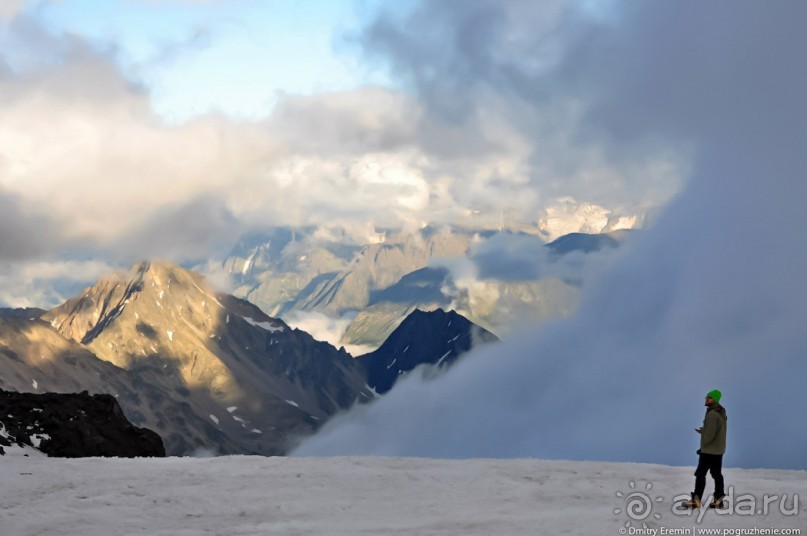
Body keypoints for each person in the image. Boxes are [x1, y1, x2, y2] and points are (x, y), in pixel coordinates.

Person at [682, 389, 727, 509]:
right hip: (718, 450)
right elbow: (716, 431)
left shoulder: (712, 414)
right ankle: (718, 499)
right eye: (707, 397)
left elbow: (710, 435)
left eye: (710, 397)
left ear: (715, 399)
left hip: (709, 451)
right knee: (717, 474)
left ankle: (696, 500)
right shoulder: (720, 412)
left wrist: (702, 448)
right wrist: (704, 431)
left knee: (700, 474)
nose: (706, 399)